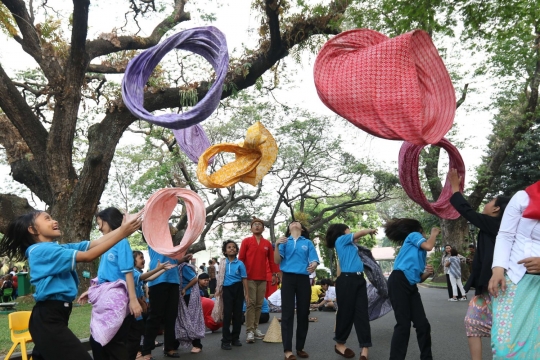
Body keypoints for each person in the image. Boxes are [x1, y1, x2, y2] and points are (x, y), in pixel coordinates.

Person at [0, 209, 142, 360]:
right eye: (47, 219)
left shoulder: (57, 248)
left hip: (55, 316)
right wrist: (123, 232)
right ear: (32, 229)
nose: (54, 221)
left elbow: (93, 244)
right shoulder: (40, 251)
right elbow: (88, 256)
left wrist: (123, 228)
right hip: (48, 319)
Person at [448, 168, 510, 360]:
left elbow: (466, 211)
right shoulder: (491, 225)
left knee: (503, 329)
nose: (487, 203)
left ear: (496, 209)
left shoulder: (496, 224)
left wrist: (455, 188)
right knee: (472, 321)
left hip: (500, 286)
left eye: (490, 201)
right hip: (486, 287)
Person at [80, 207, 142, 360]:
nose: (99, 227)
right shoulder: (107, 243)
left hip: (116, 299)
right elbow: (104, 274)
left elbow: (128, 271)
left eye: (100, 223)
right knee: (100, 343)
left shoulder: (121, 242)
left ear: (109, 221)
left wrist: (133, 300)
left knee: (108, 343)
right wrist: (90, 291)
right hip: (105, 296)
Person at [488, 182, 540, 358]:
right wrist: (498, 269)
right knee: (504, 346)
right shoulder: (522, 197)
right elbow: (505, 235)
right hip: (514, 278)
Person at [384, 218, 437, 360]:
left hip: (410, 285)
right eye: (424, 232)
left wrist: (428, 273)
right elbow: (429, 246)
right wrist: (434, 233)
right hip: (398, 281)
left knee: (423, 325)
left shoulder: (418, 251)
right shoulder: (414, 235)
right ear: (419, 229)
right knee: (403, 324)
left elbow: (419, 279)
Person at [325, 224, 376, 360]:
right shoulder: (340, 240)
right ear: (342, 232)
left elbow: (342, 263)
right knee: (346, 313)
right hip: (347, 280)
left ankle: (365, 348)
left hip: (359, 280)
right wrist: (370, 230)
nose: (351, 232)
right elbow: (359, 233)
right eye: (348, 230)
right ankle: (339, 344)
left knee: (362, 314)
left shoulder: (351, 246)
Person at [140, 231, 193, 360]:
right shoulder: (153, 240)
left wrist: (184, 259)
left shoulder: (172, 247)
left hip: (173, 281)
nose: (169, 232)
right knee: (155, 316)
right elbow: (148, 228)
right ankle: (146, 351)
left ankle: (169, 348)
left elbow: (171, 262)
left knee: (171, 316)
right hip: (158, 280)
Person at [274, 221, 319, 360]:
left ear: (302, 228)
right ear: (288, 228)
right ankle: (287, 350)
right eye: (292, 223)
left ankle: (300, 348)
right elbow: (277, 261)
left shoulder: (308, 242)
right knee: (287, 314)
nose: (294, 224)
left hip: (303, 279)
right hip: (287, 279)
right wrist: (276, 244)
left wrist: (314, 266)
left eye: (297, 223)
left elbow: (314, 260)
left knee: (303, 313)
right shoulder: (283, 242)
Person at [127, 251, 176, 360]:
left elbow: (149, 278)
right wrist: (159, 269)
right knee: (134, 333)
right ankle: (136, 354)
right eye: (141, 258)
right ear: (133, 260)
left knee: (137, 332)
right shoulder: (133, 272)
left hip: (137, 309)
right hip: (132, 308)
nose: (143, 260)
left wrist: (162, 269)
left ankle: (137, 353)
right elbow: (145, 277)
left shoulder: (137, 272)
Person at [238, 218, 280, 343]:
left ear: (263, 228)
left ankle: (255, 329)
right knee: (250, 304)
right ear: (251, 228)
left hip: (262, 278)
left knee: (259, 304)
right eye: (255, 225)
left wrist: (274, 274)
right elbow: (241, 259)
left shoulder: (266, 243)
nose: (257, 226)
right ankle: (249, 331)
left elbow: (272, 261)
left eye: (259, 225)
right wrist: (241, 276)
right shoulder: (246, 241)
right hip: (249, 277)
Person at [216, 240, 249, 350]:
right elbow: (220, 278)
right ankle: (225, 340)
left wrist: (247, 294)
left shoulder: (240, 263)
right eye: (229, 247)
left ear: (236, 250)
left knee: (238, 314)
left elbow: (244, 279)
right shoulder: (223, 263)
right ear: (225, 251)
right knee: (227, 314)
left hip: (238, 288)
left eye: (234, 247)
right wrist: (218, 290)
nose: (232, 249)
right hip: (226, 290)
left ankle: (235, 338)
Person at [177, 261, 205, 354]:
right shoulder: (177, 266)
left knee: (190, 320)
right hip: (181, 296)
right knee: (179, 321)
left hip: (188, 295)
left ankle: (197, 344)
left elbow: (194, 279)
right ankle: (173, 345)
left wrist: (184, 288)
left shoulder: (184, 267)